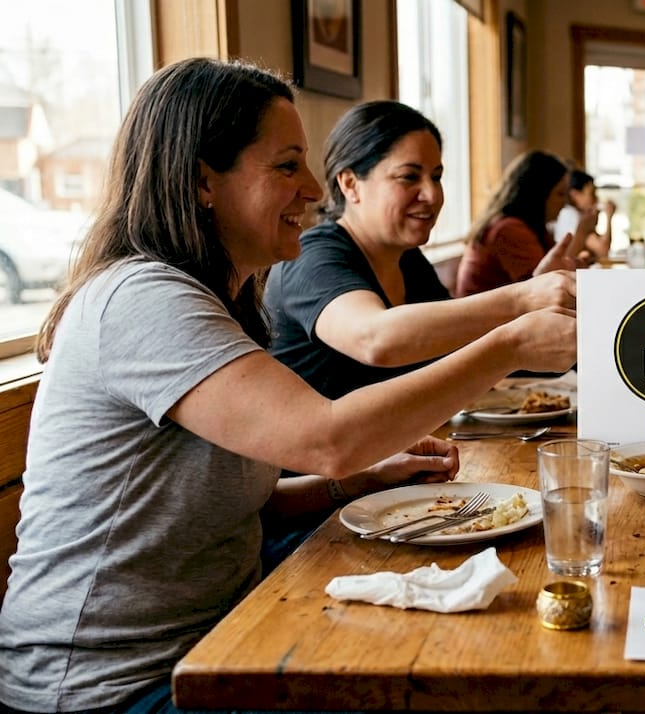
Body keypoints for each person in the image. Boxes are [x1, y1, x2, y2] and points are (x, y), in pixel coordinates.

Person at [0, 57, 577, 712]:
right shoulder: (142, 298)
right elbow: (327, 438)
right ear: (201, 182)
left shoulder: (225, 297)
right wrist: (512, 342)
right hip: (108, 689)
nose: (312, 188)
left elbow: (231, 506)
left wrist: (352, 484)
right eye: (287, 165)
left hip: (218, 641)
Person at [262, 100, 578, 563]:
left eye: (437, 175)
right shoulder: (314, 256)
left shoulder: (406, 260)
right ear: (350, 183)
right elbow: (377, 338)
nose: (431, 194)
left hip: (384, 498)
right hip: (308, 520)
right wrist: (522, 300)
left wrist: (532, 299)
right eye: (409, 177)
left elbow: (463, 345)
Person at [455, 150, 585, 296]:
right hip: (486, 318)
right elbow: (544, 289)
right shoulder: (509, 230)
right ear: (538, 193)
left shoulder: (531, 227)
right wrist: (582, 232)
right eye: (560, 194)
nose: (565, 202)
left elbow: (556, 267)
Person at [553, 168, 615, 261]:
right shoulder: (571, 216)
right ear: (575, 194)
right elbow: (603, 250)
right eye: (592, 193)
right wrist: (609, 217)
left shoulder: (579, 215)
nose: (596, 199)